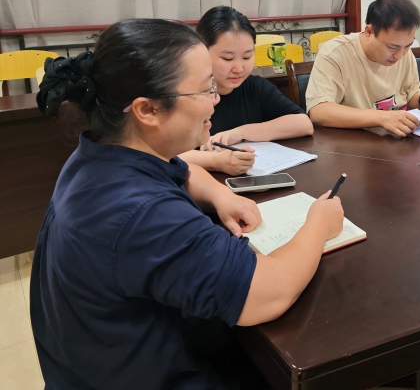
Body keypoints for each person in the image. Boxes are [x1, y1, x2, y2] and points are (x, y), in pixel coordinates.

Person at [31, 19, 344, 389]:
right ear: (148, 110)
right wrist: (318, 224)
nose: (216, 99)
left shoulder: (98, 154)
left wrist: (220, 194)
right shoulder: (143, 213)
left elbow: (181, 170)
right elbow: (268, 293)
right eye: (205, 89)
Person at [179, 6, 313, 176]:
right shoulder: (184, 94)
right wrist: (214, 161)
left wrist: (241, 132)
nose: (239, 68)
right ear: (201, 51)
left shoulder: (254, 87)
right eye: (227, 58)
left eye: (247, 57)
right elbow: (160, 151)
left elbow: (304, 124)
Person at [306, 0, 420, 137]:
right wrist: (382, 118)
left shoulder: (404, 54)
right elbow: (319, 112)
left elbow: (408, 97)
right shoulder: (335, 53)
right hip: (353, 142)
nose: (400, 56)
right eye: (392, 47)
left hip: (395, 141)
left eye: (408, 45)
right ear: (369, 32)